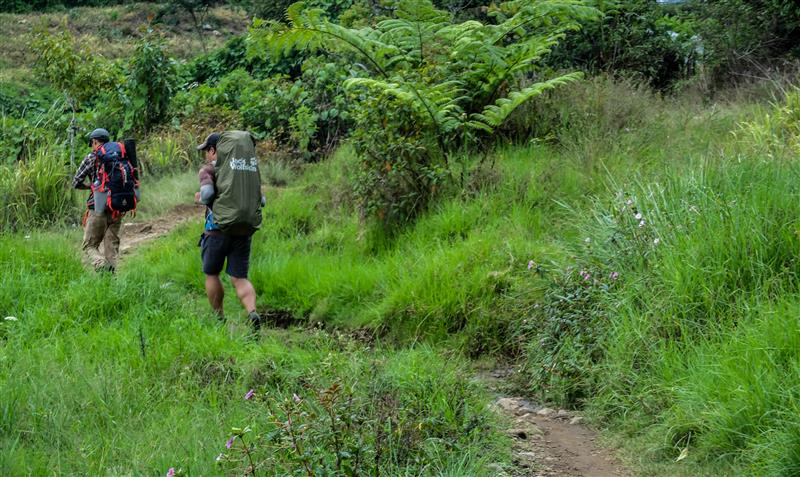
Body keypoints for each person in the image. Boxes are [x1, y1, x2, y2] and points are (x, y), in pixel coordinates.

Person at [195, 132, 262, 329]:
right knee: (240, 278)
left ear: (214, 151)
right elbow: (262, 200)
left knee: (212, 273)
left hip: (216, 231)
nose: (206, 155)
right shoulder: (247, 170)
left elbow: (207, 195)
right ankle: (252, 312)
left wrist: (199, 197)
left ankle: (219, 318)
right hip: (243, 231)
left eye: (207, 150)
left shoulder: (209, 170)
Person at [72, 128, 123, 273]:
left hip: (98, 206)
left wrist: (89, 186)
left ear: (94, 141)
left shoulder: (91, 157)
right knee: (110, 245)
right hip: (118, 206)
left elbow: (76, 182)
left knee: (89, 246)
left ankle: (101, 265)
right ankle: (110, 280)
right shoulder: (120, 155)